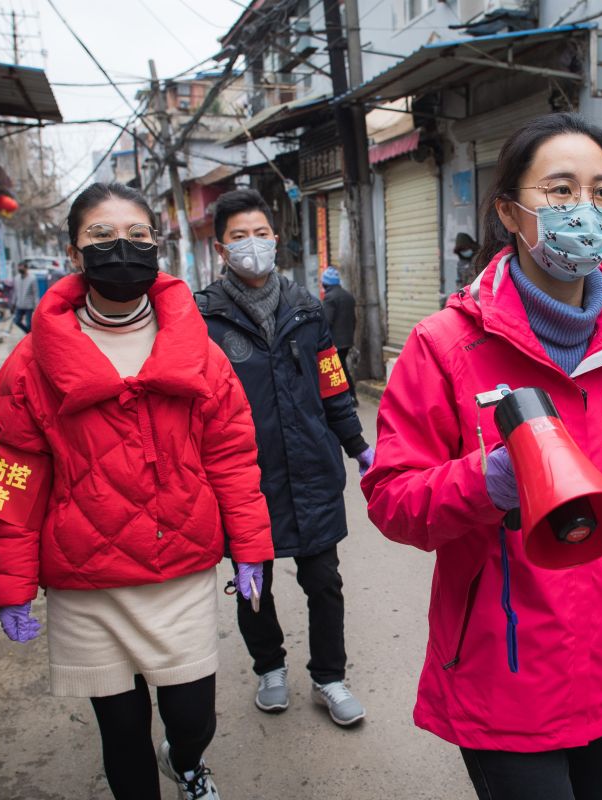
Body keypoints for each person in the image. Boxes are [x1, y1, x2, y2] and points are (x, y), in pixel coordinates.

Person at [361, 113, 602, 800]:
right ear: (510, 211)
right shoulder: (444, 346)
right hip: (501, 672)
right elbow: (394, 499)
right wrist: (487, 481)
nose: (586, 210)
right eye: (561, 190)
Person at [0, 182, 274, 800]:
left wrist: (251, 548)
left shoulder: (199, 351)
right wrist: (9, 585)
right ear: (74, 252)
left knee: (194, 719)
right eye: (102, 237)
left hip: (181, 568)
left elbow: (233, 457)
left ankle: (188, 762)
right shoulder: (31, 363)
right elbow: (12, 476)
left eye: (138, 237)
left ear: (157, 247)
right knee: (121, 732)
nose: (122, 249)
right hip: (87, 583)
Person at [196, 189, 374, 727]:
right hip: (246, 480)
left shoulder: (307, 309)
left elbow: (333, 385)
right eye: (238, 237)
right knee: (255, 585)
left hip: (313, 471)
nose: (253, 245)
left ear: (276, 239)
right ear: (221, 249)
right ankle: (269, 667)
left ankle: (329, 677)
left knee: (324, 581)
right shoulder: (203, 319)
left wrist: (358, 446)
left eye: (260, 233)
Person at [320, 265, 358, 405]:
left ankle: (348, 397)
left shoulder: (330, 298)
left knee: (338, 371)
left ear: (326, 283)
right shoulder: (347, 296)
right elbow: (354, 320)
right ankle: (350, 396)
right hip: (347, 341)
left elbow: (327, 321)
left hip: (335, 342)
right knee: (341, 368)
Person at [11, 261, 39, 333]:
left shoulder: (32, 278)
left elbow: (35, 293)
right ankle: (29, 334)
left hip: (28, 306)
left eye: (21, 267)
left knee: (29, 324)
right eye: (19, 267)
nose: (20, 268)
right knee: (16, 321)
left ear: (26, 268)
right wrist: (13, 303)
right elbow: (15, 292)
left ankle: (30, 336)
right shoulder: (16, 278)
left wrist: (36, 307)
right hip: (19, 305)